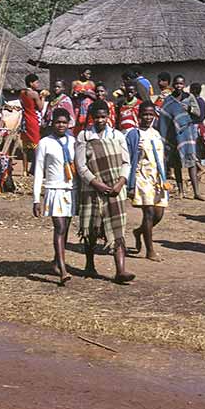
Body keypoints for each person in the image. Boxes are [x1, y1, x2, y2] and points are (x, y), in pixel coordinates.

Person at [75, 99, 135, 284]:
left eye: (103, 116)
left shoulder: (117, 136)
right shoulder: (84, 137)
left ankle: (121, 270)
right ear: (92, 118)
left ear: (108, 117)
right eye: (97, 117)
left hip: (116, 190)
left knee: (118, 229)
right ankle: (90, 264)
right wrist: (96, 183)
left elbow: (126, 162)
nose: (100, 120)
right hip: (92, 190)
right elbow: (80, 166)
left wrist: (121, 183)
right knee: (92, 229)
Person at [33, 108, 78, 284]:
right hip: (54, 189)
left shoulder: (74, 142)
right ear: (52, 123)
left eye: (64, 122)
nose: (61, 125)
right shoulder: (45, 143)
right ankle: (63, 270)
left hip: (71, 190)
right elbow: (38, 171)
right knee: (59, 227)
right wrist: (37, 198)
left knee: (65, 228)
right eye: (57, 122)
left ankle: (56, 261)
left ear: (69, 124)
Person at [126, 102, 168, 261]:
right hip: (142, 176)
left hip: (157, 177)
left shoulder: (156, 133)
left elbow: (161, 156)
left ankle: (139, 232)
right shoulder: (133, 134)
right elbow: (129, 159)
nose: (148, 117)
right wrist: (129, 184)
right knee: (149, 212)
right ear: (139, 115)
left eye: (151, 114)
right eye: (145, 114)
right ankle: (150, 250)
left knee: (159, 213)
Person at [159, 75, 203, 200]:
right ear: (173, 85)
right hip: (173, 133)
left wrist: (188, 108)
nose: (179, 86)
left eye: (181, 84)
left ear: (184, 85)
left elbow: (198, 113)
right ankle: (181, 191)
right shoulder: (169, 99)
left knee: (191, 161)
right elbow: (164, 115)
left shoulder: (189, 97)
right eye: (177, 84)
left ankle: (196, 192)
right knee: (176, 162)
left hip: (187, 132)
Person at [19, 74, 44, 175]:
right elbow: (40, 107)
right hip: (33, 120)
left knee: (25, 147)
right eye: (36, 82)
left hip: (25, 120)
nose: (38, 84)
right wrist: (43, 98)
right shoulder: (34, 94)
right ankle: (36, 169)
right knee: (36, 146)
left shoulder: (22, 92)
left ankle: (25, 170)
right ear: (31, 83)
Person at [189, 83, 205, 168]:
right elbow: (204, 115)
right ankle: (202, 164)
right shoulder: (202, 101)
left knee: (195, 148)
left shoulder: (194, 102)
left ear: (193, 91)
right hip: (201, 125)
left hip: (194, 126)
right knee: (202, 146)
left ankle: (197, 167)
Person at [71, 68, 97, 133]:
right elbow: (71, 96)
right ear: (81, 74)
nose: (89, 75)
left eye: (90, 74)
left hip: (88, 107)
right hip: (78, 107)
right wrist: (76, 94)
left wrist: (87, 93)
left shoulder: (91, 83)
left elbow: (96, 97)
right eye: (87, 73)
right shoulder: (75, 83)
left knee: (88, 122)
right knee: (77, 124)